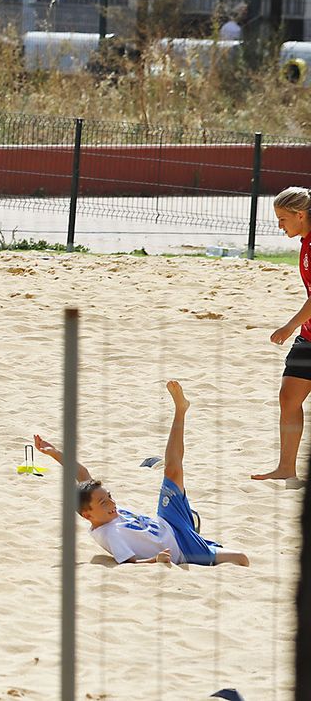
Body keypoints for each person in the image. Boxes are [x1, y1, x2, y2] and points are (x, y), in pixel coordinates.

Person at [34, 381, 249, 567]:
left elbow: (82, 474)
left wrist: (54, 454)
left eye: (109, 497)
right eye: (103, 503)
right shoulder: (109, 534)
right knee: (241, 558)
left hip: (168, 520)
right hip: (184, 549)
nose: (111, 503)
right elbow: (131, 562)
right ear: (87, 515)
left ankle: (180, 410)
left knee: (173, 469)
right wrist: (156, 560)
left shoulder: (101, 509)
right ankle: (196, 530)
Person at [253, 186, 311, 479]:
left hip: (303, 329)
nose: (279, 226)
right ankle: (286, 469)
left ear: (300, 215)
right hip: (310, 335)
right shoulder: (305, 241)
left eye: (282, 219)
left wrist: (289, 325)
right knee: (289, 397)